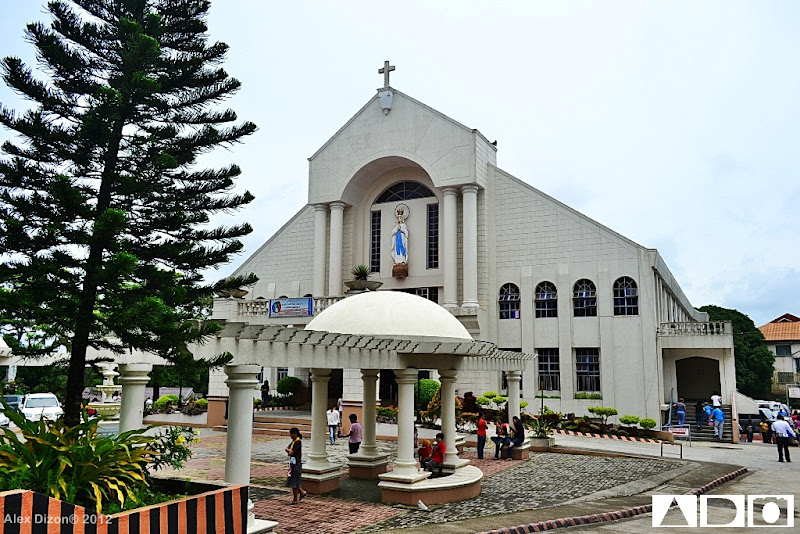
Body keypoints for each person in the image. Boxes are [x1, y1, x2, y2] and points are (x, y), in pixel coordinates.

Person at [284, 427, 307, 504]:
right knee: (294, 481)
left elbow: (291, 452)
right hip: (293, 463)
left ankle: (296, 497)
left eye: (292, 434)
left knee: (295, 481)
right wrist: (289, 450)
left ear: (295, 434)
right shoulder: (293, 441)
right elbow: (287, 449)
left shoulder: (297, 442)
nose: (290, 436)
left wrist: (289, 450)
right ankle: (301, 493)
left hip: (296, 464)